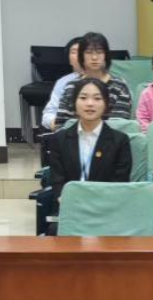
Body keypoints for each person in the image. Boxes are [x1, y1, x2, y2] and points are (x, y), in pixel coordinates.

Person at [46, 78, 132, 217]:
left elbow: (119, 183)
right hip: (70, 208)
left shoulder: (120, 141)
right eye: (83, 98)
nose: (90, 103)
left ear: (106, 104)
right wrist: (67, 202)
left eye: (97, 98)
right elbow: (58, 180)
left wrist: (96, 207)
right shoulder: (59, 139)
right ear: (74, 102)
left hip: (106, 211)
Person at [54, 33, 133, 128]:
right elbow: (61, 124)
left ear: (106, 56)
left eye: (99, 52)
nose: (94, 57)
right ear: (81, 56)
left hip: (109, 137)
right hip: (74, 136)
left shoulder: (119, 86)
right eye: (88, 52)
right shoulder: (71, 86)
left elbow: (119, 125)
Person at [41, 36, 83, 130]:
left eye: (82, 51)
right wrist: (60, 127)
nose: (79, 55)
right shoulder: (63, 82)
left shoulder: (104, 79)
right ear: (69, 59)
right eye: (74, 52)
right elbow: (49, 113)